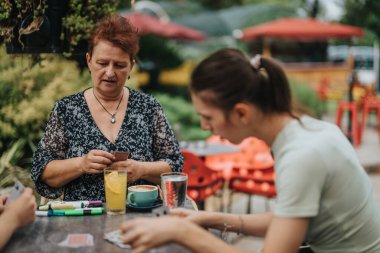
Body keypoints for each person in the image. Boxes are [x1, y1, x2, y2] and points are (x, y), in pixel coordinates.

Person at [119, 48, 380, 253]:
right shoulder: (307, 131)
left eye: (207, 117)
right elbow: (285, 219)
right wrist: (208, 218)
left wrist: (183, 232)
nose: (203, 126)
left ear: (241, 113)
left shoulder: (302, 155)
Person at [31, 15, 183, 201]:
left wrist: (141, 169)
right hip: (83, 221)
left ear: (131, 66)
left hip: (141, 220)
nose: (110, 73)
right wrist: (81, 164)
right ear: (89, 60)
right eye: (102, 63)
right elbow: (42, 171)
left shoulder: (148, 107)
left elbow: (175, 165)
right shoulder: (66, 109)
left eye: (119, 65)